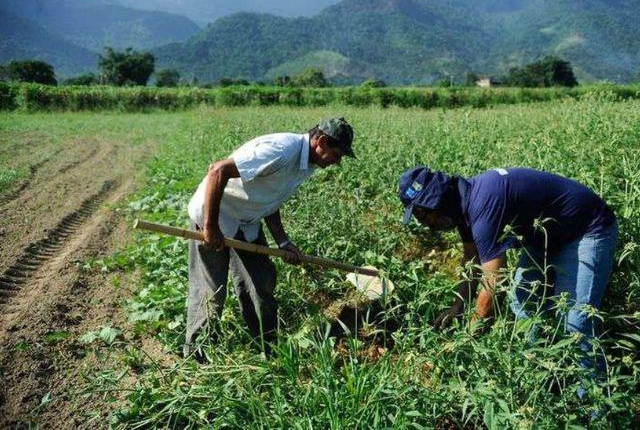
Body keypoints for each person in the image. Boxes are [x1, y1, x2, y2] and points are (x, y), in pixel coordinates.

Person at [398, 166, 618, 372]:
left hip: (587, 229)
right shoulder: (461, 205)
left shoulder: (483, 204)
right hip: (544, 238)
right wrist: (459, 305)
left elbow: (494, 282)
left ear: (434, 202)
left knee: (576, 323)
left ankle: (594, 405)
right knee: (523, 301)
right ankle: (537, 371)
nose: (423, 224)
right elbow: (471, 258)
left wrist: (467, 339)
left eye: (420, 215)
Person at [186, 117, 355, 358]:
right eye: (338, 154)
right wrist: (210, 227)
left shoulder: (305, 165)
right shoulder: (282, 150)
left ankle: (267, 347)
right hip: (214, 215)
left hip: (247, 221)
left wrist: (283, 242)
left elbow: (270, 199)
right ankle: (196, 355)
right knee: (211, 291)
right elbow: (218, 170)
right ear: (323, 142)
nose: (338, 162)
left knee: (261, 281)